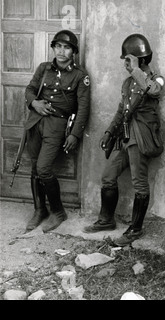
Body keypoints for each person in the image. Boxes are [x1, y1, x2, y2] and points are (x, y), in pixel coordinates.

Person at [82, 34, 165, 247]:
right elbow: (122, 111)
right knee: (108, 176)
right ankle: (106, 220)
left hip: (140, 137)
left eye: (129, 60)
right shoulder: (128, 82)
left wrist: (136, 69)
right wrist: (109, 132)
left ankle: (135, 229)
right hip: (125, 138)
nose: (126, 64)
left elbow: (154, 91)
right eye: (126, 61)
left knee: (139, 183)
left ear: (141, 60)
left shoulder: (154, 79)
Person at [24, 30, 90, 233]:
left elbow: (84, 107)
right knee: (35, 167)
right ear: (53, 48)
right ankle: (39, 209)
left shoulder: (80, 75)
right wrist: (35, 103)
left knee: (43, 168)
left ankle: (58, 211)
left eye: (67, 47)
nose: (61, 51)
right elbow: (29, 90)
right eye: (58, 46)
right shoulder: (44, 68)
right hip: (36, 122)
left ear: (73, 52)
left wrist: (74, 134)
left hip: (58, 125)